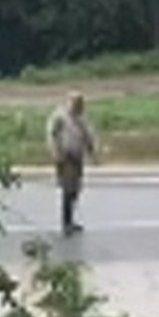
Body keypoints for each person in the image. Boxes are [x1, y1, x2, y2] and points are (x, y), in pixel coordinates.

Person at [47, 91, 98, 236]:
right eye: (76, 103)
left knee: (76, 189)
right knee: (68, 189)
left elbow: (87, 135)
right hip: (65, 156)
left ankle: (71, 220)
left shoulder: (81, 118)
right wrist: (56, 153)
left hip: (77, 156)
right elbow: (52, 135)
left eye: (81, 104)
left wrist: (92, 152)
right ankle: (66, 222)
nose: (79, 107)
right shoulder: (60, 116)